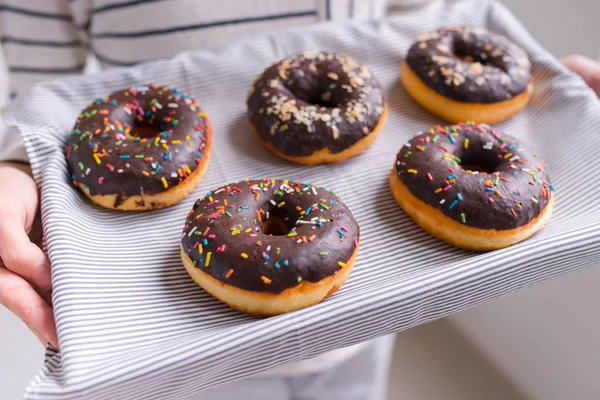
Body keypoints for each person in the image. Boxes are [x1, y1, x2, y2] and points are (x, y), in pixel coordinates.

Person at [0, 1, 599, 399]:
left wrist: (550, 83)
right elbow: (41, 105)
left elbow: (414, 25)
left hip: (363, 327)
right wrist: (17, 164)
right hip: (193, 365)